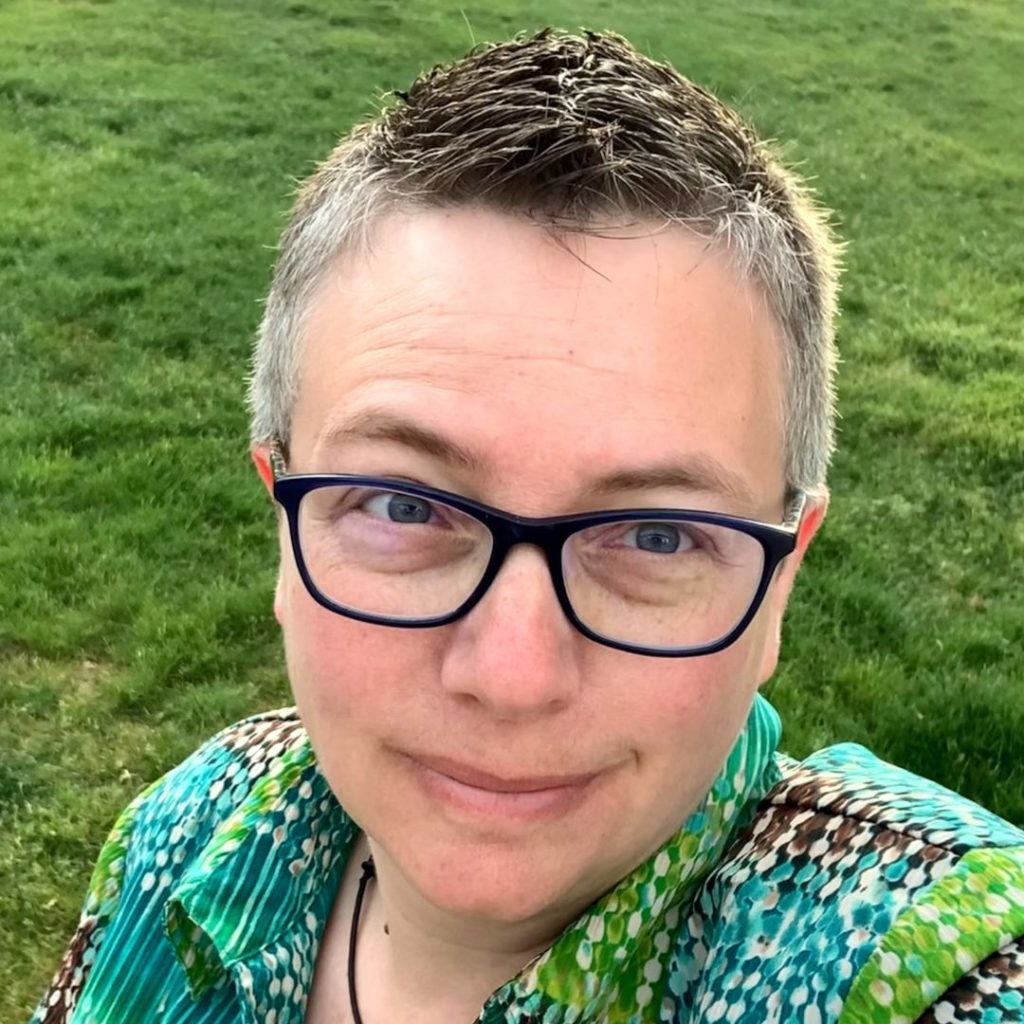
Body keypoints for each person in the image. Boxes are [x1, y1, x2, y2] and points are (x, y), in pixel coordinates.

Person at [32, 28, 1024, 1024]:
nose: (512, 677)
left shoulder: (918, 966)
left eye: (654, 535)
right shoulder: (190, 827)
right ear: (286, 535)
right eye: (404, 505)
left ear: (777, 589)